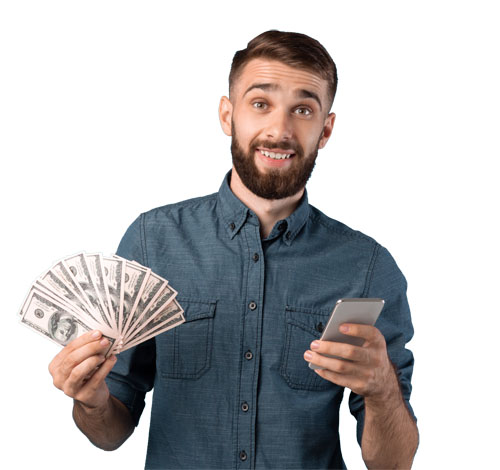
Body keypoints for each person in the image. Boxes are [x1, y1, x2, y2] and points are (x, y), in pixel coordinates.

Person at [48, 30, 419, 469]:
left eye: (303, 109)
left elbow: (392, 463)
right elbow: (111, 433)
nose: (279, 130)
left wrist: (382, 391)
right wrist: (90, 401)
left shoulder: (367, 268)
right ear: (228, 115)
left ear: (326, 129)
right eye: (260, 104)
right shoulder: (152, 241)